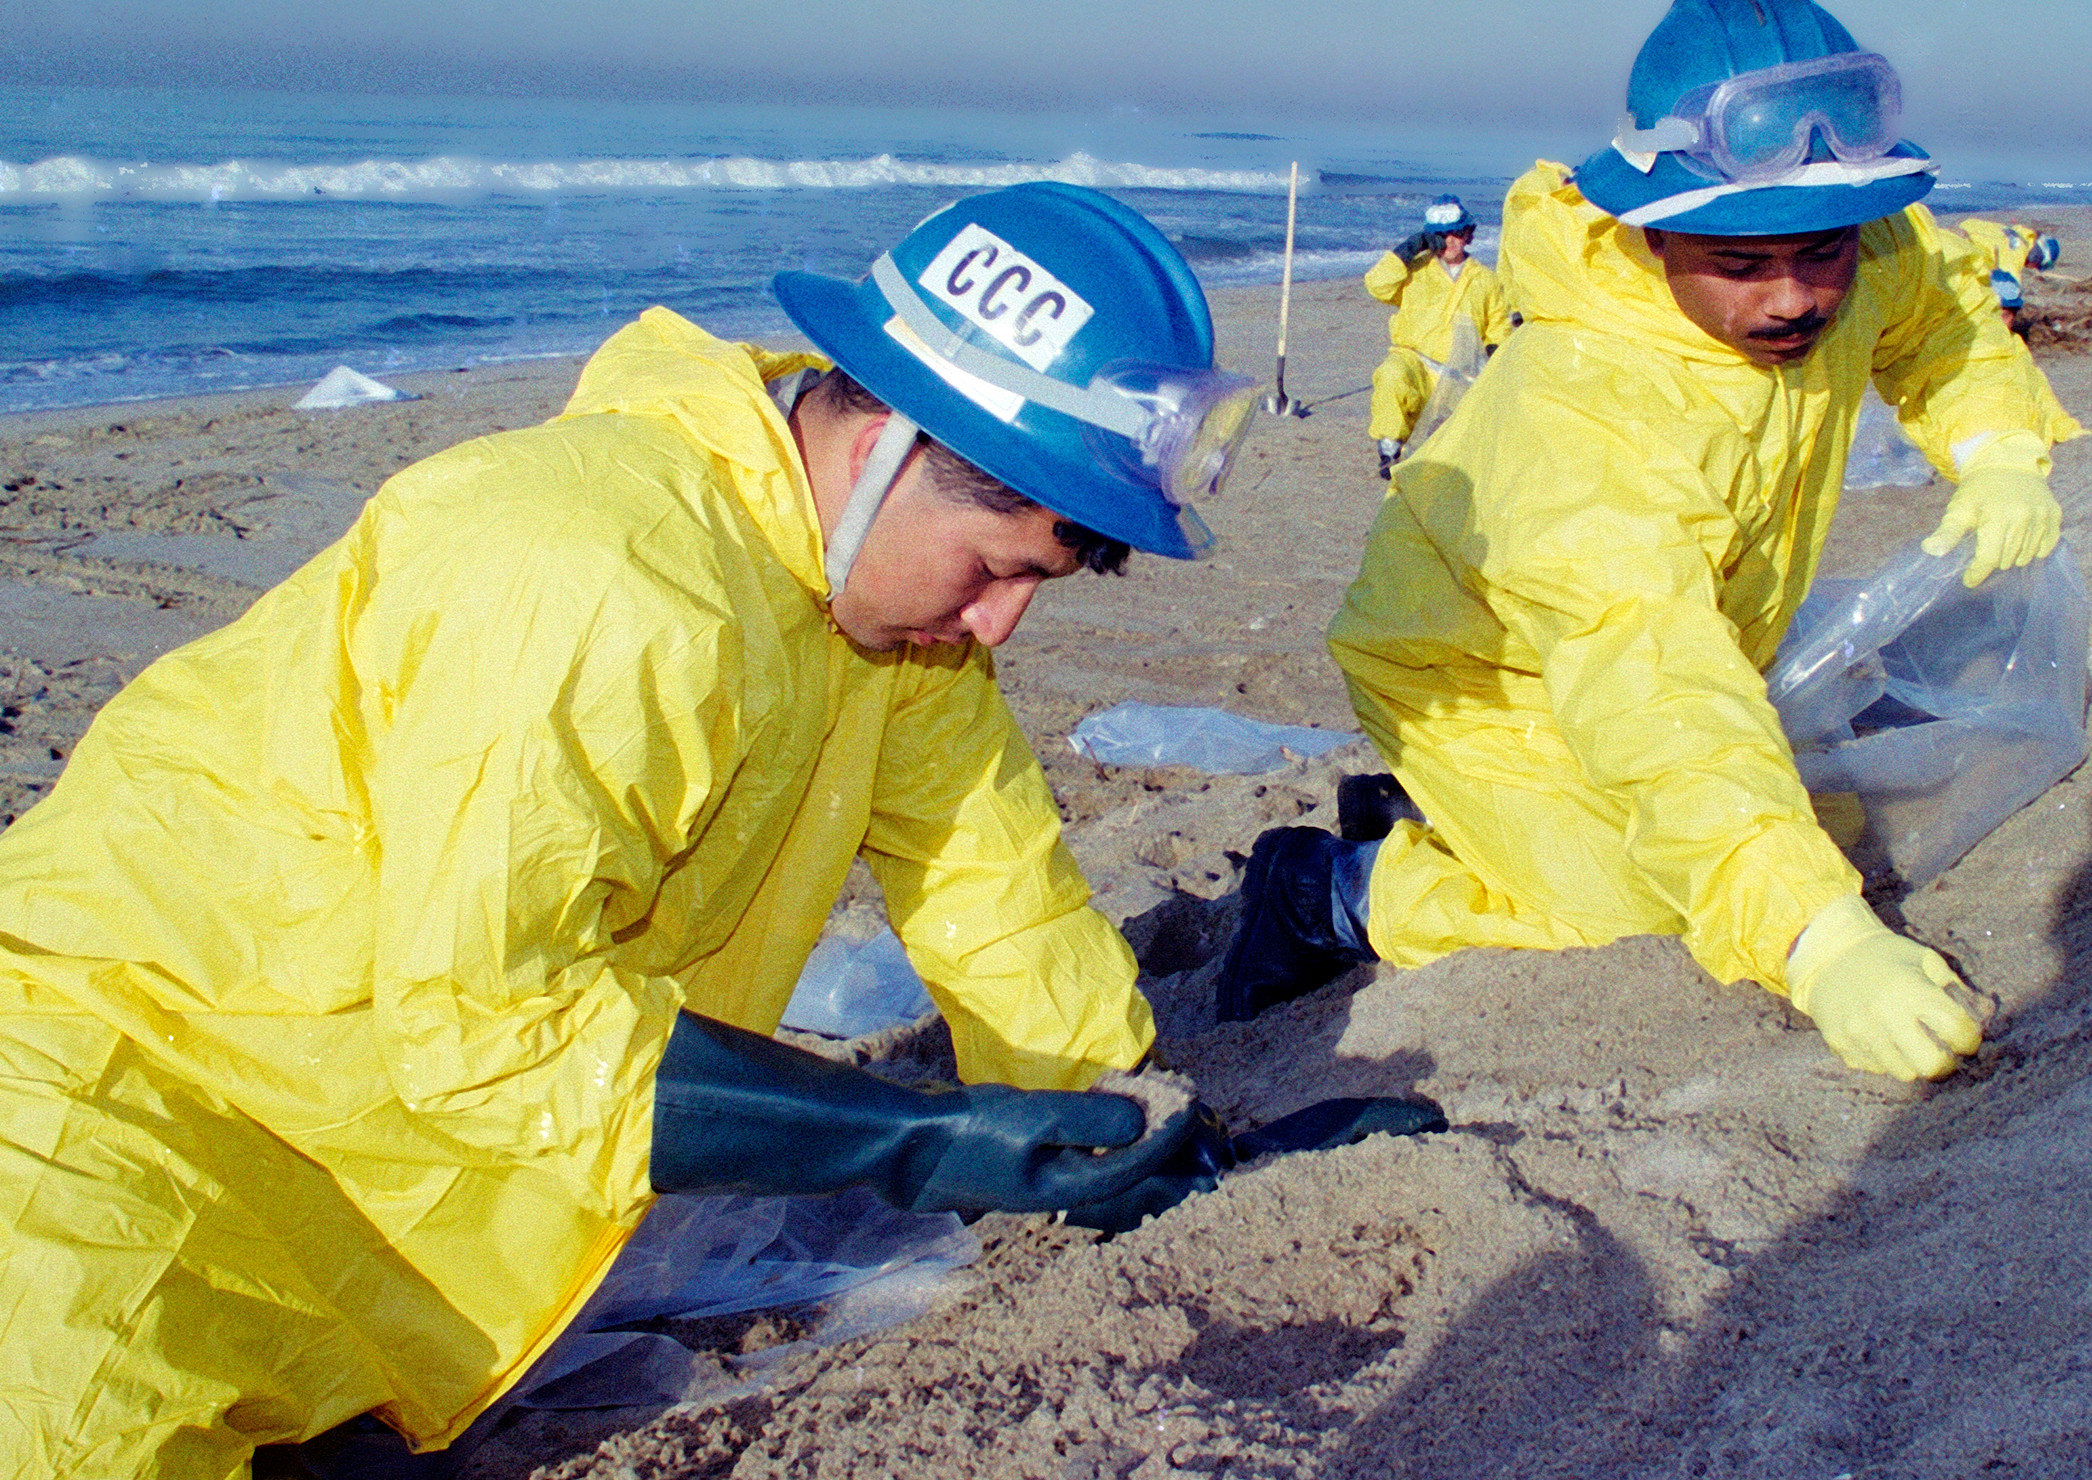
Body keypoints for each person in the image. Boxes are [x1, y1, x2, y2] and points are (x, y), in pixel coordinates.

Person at [0, 184, 1444, 1473]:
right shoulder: (593, 573)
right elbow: (489, 1028)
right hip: (109, 1117)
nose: (1000, 620)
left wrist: (1145, 1139)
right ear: (885, 439)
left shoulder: (889, 629)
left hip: (379, 1159)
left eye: (1039, 585)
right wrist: (922, 1134)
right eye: (997, 568)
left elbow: (991, 893)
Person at [1220, 0, 2083, 1086]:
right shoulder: (1587, 415)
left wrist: (1998, 447)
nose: (1794, 295)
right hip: (1480, 669)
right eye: (1740, 258)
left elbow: (1942, 315)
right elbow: (1654, 683)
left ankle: (1461, 821)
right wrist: (1823, 946)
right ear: (1654, 224)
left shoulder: (1863, 252)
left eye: (1823, 251)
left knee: (1818, 820)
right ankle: (1331, 890)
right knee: (1645, 903)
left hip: (1698, 624)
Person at [1365, 195, 1514, 478]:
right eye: (1440, 235)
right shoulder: (1413, 270)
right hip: (1414, 360)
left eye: (1456, 234)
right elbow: (1376, 286)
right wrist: (1408, 250)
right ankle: (1388, 450)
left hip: (1461, 371)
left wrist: (1495, 350)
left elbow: (1498, 325)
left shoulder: (1486, 280)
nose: (1449, 242)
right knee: (1391, 377)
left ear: (1468, 235)